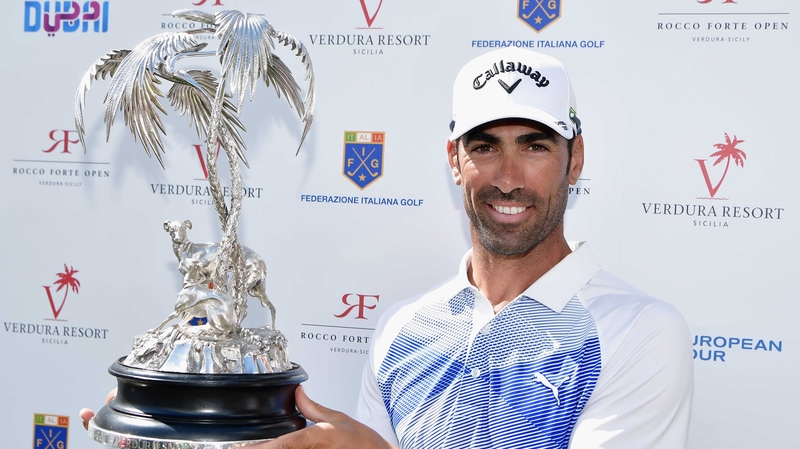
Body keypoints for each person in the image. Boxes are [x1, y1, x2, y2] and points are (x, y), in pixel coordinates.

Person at [82, 48, 693, 448]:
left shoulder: (637, 331)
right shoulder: (405, 327)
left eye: (534, 146)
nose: (507, 178)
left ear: (574, 160)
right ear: (454, 160)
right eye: (484, 147)